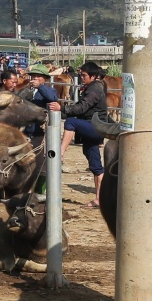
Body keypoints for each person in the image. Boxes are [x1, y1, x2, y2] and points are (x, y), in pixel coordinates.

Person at [51, 60, 108, 207]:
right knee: (95, 165)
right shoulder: (93, 86)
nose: (81, 77)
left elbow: (82, 108)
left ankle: (60, 153)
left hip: (95, 127)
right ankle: (99, 199)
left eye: (83, 75)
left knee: (70, 122)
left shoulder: (95, 88)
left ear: (93, 76)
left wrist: (62, 109)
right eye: (81, 75)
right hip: (93, 127)